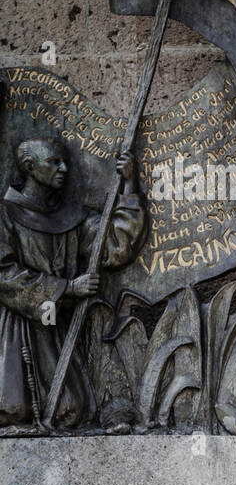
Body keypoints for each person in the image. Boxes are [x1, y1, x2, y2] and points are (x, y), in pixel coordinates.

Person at [0, 138, 145, 428]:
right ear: (30, 167)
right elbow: (4, 275)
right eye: (54, 162)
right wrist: (67, 288)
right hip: (18, 327)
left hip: (55, 323)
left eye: (64, 161)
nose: (64, 168)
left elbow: (114, 245)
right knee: (14, 407)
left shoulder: (71, 217)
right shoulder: (5, 214)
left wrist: (129, 187)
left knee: (71, 408)